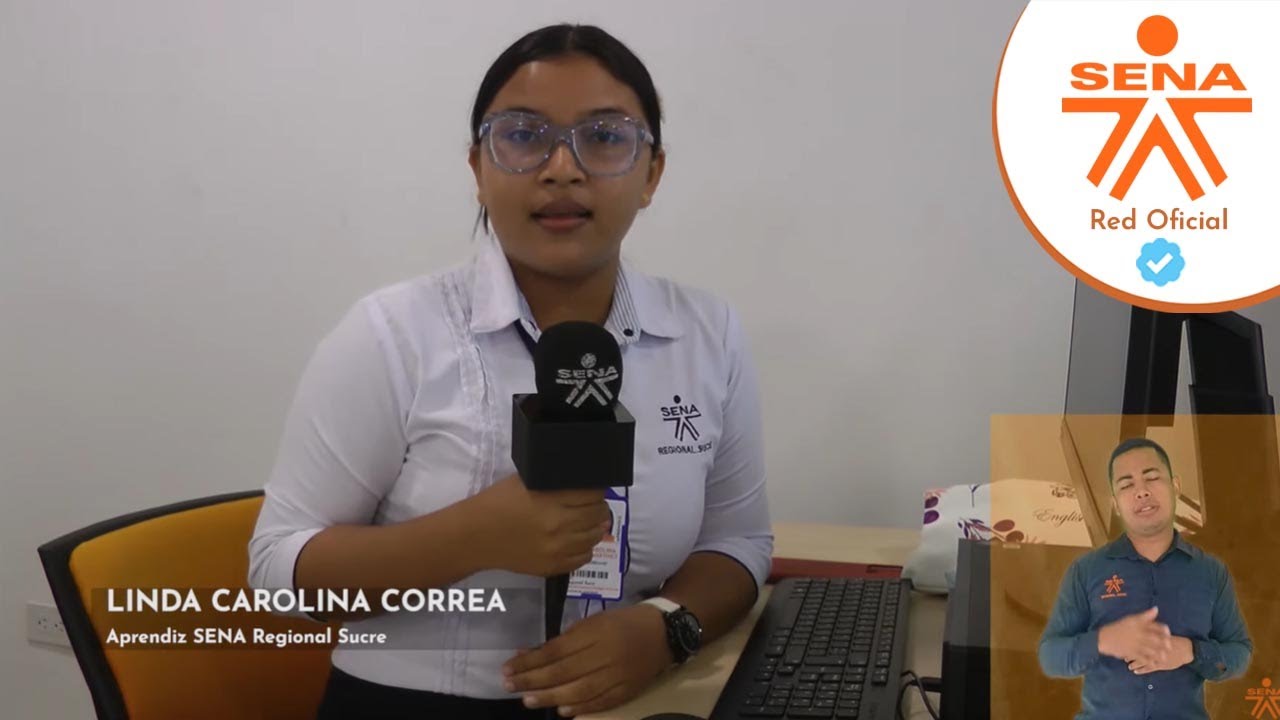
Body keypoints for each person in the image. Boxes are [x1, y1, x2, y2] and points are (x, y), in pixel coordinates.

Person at [247, 23, 772, 720]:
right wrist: (473, 536)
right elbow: (277, 573)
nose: (563, 168)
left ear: (651, 175)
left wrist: (667, 628)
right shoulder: (390, 334)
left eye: (605, 136)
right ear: (478, 169)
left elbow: (737, 541)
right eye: (524, 136)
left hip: (637, 699)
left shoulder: (707, 334)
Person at [1038, 437, 1252, 720]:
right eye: (1127, 485)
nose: (1141, 492)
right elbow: (1050, 656)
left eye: (1151, 478)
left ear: (1175, 486)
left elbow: (1240, 653)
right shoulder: (1086, 570)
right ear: (1116, 504)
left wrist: (1191, 652)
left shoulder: (1210, 572)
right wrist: (1104, 640)